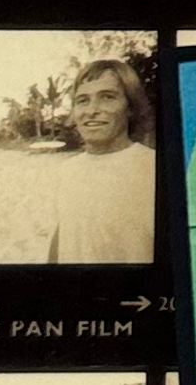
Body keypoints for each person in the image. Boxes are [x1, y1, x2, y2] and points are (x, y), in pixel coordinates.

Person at [47, 57, 156, 264]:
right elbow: (63, 236)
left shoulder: (153, 169)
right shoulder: (67, 171)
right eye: (82, 101)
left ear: (130, 107)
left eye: (107, 97)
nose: (91, 110)